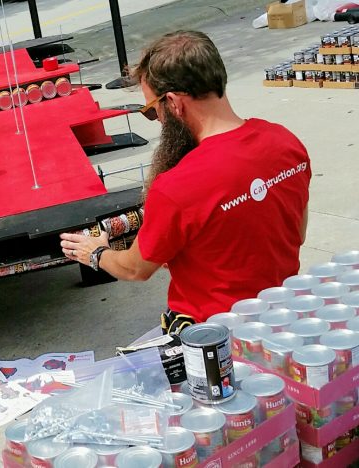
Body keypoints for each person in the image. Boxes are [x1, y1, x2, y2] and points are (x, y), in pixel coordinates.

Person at [60, 31, 310, 334]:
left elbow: (135, 268)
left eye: (152, 111)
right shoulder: (284, 141)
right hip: (285, 318)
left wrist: (95, 253)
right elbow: (295, 232)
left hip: (216, 337)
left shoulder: (176, 186)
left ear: (175, 103)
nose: (159, 120)